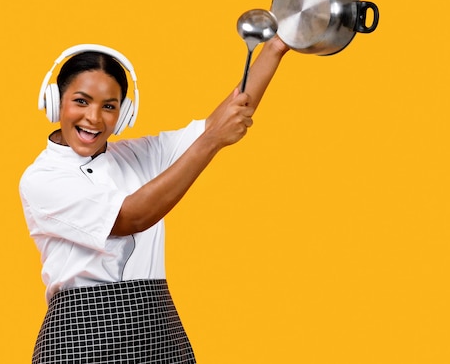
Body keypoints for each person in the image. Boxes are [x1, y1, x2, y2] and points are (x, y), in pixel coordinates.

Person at [19, 36, 289, 363]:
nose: (93, 117)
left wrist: (276, 46)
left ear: (124, 112)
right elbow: (130, 217)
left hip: (158, 331)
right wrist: (211, 142)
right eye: (81, 101)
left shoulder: (139, 155)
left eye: (109, 106)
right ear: (54, 101)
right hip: (81, 337)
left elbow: (223, 119)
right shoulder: (42, 178)